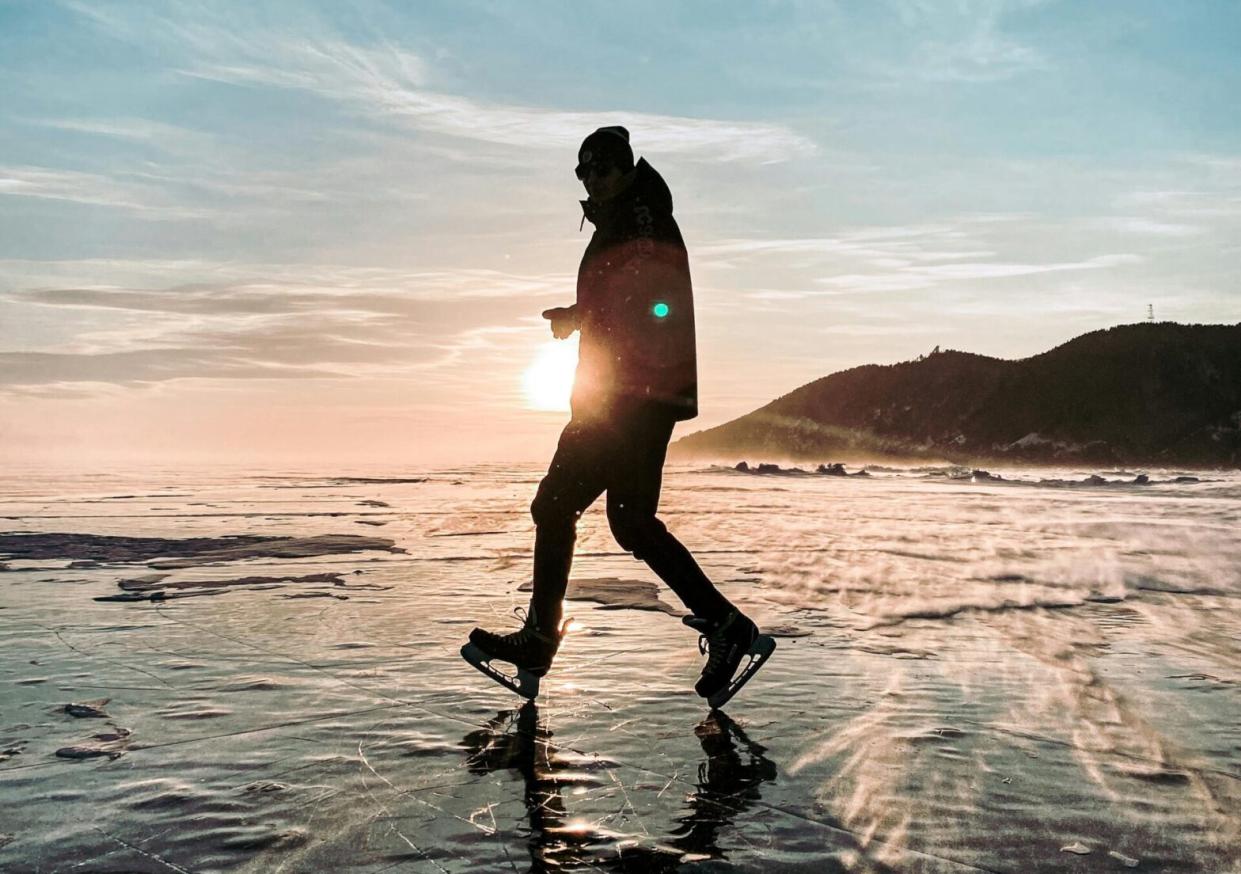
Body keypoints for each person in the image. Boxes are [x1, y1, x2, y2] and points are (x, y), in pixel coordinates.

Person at [461, 126, 774, 708]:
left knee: (555, 505)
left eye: (602, 166)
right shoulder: (626, 218)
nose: (593, 177)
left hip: (630, 394)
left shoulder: (642, 217)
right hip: (637, 393)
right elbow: (630, 299)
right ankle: (726, 625)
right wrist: (581, 316)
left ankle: (537, 640)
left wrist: (595, 330)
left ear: (626, 166)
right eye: (583, 171)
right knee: (630, 522)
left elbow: (650, 298)